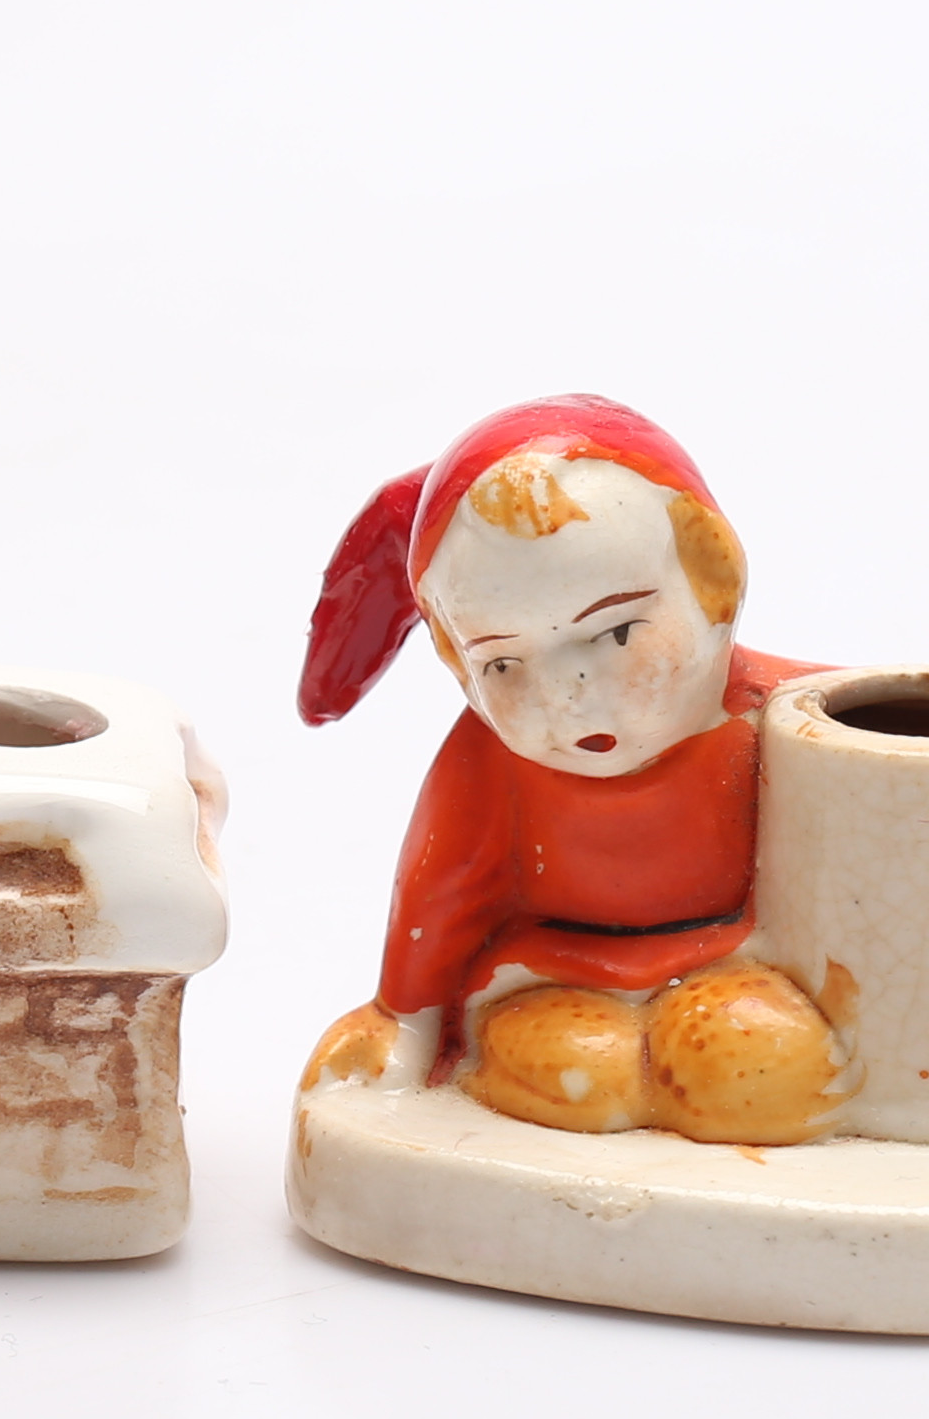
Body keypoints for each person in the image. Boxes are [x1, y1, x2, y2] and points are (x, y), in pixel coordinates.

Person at [295, 396, 858, 1142]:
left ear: (715, 579)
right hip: (555, 976)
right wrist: (403, 1020)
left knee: (756, 1065)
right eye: (503, 664)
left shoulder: (791, 718)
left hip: (742, 966)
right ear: (457, 662)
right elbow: (445, 885)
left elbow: (917, 775)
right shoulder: (491, 760)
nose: (565, 696)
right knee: (581, 1073)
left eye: (616, 633)